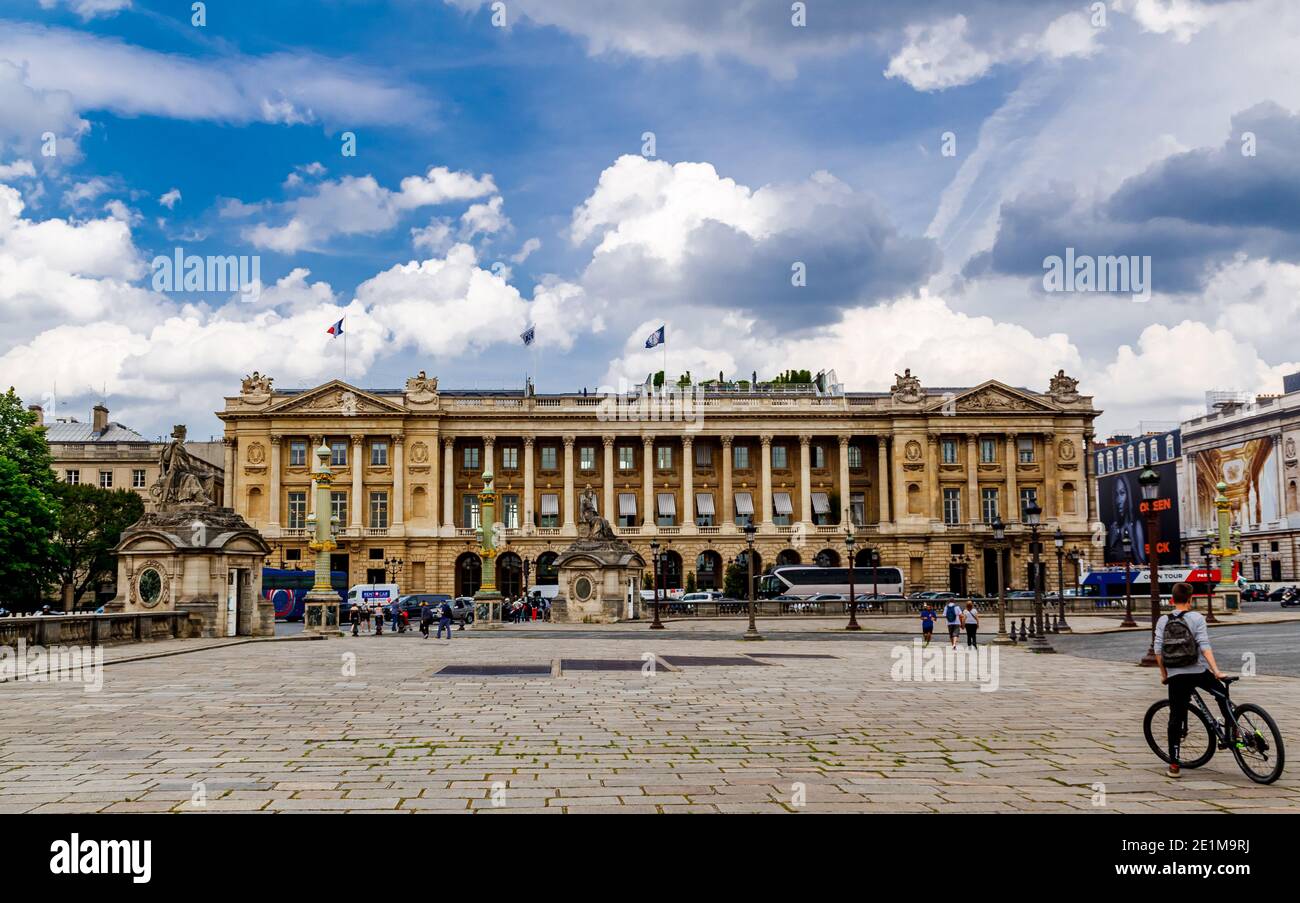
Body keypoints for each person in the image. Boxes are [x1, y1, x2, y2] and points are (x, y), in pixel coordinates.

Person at [1155, 582, 1235, 779]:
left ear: (1172, 600)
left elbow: (1158, 650)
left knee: (1176, 716)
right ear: (1190, 600)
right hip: (1198, 671)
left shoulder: (1162, 620)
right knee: (1222, 695)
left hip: (1176, 675)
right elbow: (1204, 645)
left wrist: (1164, 674)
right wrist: (1216, 671)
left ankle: (1174, 765)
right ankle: (1232, 732)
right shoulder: (1197, 618)